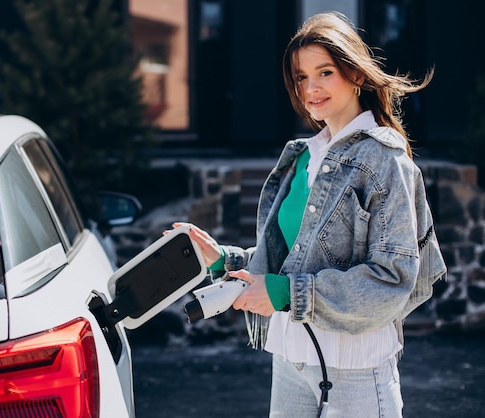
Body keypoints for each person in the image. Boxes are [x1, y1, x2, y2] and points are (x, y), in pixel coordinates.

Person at [171, 11, 447, 418]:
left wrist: (286, 294)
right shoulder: (304, 157)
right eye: (301, 77)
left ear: (355, 74)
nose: (311, 88)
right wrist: (225, 260)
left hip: (355, 369)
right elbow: (301, 259)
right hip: (289, 358)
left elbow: (392, 280)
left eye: (324, 73)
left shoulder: (385, 161)